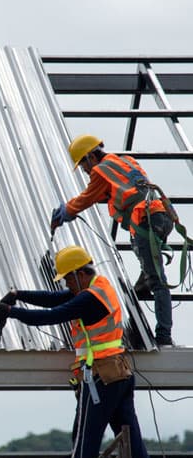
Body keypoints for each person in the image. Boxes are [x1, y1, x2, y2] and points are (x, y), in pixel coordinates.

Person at [0, 245, 154, 458]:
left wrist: (11, 311)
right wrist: (18, 296)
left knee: (84, 440)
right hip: (118, 374)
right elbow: (55, 299)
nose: (66, 284)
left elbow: (51, 315)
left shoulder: (88, 298)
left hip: (101, 377)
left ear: (80, 273)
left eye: (68, 278)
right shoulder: (98, 287)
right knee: (131, 443)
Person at [50, 134, 174, 346]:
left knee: (158, 281)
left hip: (146, 223)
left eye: (83, 165)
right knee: (146, 261)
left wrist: (66, 212)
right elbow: (114, 191)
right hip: (161, 216)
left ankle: (164, 336)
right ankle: (143, 285)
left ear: (90, 157)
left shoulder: (100, 170)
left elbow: (88, 197)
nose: (86, 171)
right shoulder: (124, 160)